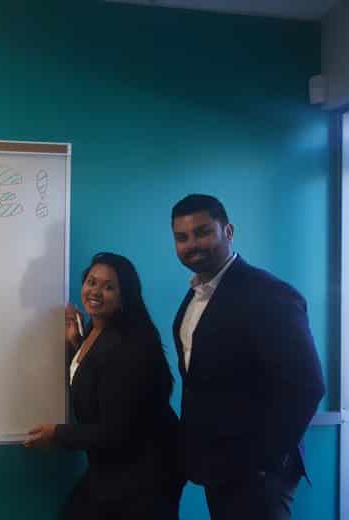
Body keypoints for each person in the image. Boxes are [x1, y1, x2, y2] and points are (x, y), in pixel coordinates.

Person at [170, 194, 325, 519]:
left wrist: (261, 463)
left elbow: (306, 385)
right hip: (218, 467)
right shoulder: (198, 294)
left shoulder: (269, 295)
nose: (192, 244)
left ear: (228, 231)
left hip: (258, 474)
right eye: (182, 237)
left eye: (203, 232)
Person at [25, 252, 181, 519]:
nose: (96, 291)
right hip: (114, 466)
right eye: (92, 282)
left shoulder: (130, 347)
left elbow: (114, 432)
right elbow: (93, 379)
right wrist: (76, 344)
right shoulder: (96, 329)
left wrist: (57, 434)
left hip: (146, 472)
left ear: (124, 296)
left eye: (109, 287)